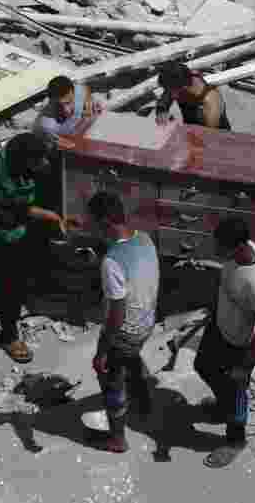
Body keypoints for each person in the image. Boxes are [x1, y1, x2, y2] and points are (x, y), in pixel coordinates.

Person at [0, 133, 79, 363]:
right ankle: (9, 335)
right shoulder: (9, 186)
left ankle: (39, 283)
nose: (44, 164)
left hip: (26, 226)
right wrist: (55, 217)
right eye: (39, 161)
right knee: (11, 285)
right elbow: (24, 210)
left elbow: (46, 140)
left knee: (36, 253)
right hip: (6, 233)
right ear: (25, 161)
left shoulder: (18, 147)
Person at [193, 217, 255, 469]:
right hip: (219, 327)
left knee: (236, 391)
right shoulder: (237, 253)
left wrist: (246, 365)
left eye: (220, 247)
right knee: (203, 366)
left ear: (237, 247)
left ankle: (236, 441)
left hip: (239, 343)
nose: (216, 251)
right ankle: (222, 406)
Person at [88, 191, 161, 454]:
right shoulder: (145, 239)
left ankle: (117, 439)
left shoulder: (111, 262)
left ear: (104, 223)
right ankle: (143, 403)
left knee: (110, 377)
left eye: (92, 222)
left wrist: (101, 352)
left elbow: (116, 314)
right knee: (132, 359)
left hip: (125, 330)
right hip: (147, 321)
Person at [155, 62, 232, 131]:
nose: (170, 94)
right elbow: (165, 98)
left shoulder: (211, 102)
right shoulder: (182, 78)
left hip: (217, 138)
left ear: (182, 87)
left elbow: (210, 137)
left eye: (171, 91)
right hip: (191, 132)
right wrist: (161, 110)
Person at [35, 75, 102, 151]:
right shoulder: (47, 123)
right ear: (53, 101)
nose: (67, 109)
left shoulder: (78, 89)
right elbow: (66, 144)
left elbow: (85, 90)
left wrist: (88, 106)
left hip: (82, 128)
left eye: (69, 102)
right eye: (61, 104)